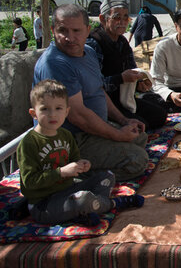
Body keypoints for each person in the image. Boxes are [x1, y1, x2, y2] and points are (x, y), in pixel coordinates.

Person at [33, 4, 148, 182]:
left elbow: (99, 92)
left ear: (87, 30)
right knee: (137, 160)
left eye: (76, 31)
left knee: (139, 136)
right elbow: (78, 116)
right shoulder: (55, 63)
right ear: (53, 30)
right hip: (70, 141)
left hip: (93, 129)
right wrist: (117, 135)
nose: (70, 38)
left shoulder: (89, 52)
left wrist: (123, 121)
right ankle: (72, 178)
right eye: (63, 30)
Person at [17, 79, 144, 226]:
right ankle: (113, 203)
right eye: (45, 109)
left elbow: (74, 159)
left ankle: (86, 211)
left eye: (58, 108)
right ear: (34, 113)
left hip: (67, 190)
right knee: (83, 199)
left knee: (107, 176)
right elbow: (30, 182)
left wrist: (82, 164)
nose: (52, 114)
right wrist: (62, 172)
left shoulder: (65, 135)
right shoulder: (29, 143)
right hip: (44, 204)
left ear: (66, 111)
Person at [86, 0, 167, 130]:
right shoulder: (94, 43)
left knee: (160, 115)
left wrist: (139, 84)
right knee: (140, 126)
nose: (123, 22)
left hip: (124, 100)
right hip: (104, 105)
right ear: (102, 18)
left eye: (126, 18)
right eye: (117, 17)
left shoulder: (122, 42)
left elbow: (132, 70)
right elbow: (93, 87)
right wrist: (121, 78)